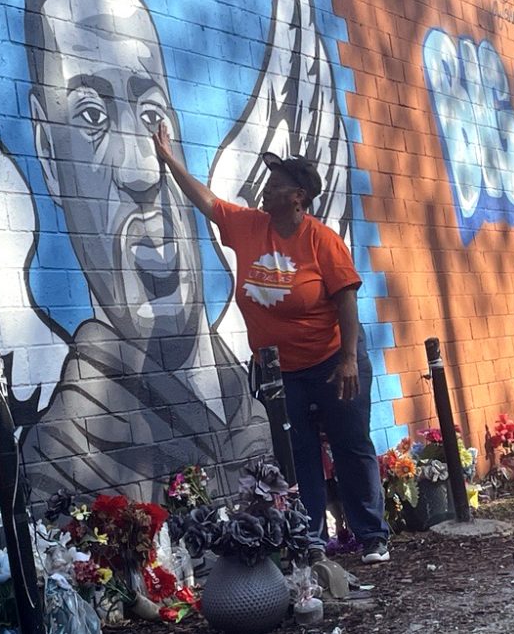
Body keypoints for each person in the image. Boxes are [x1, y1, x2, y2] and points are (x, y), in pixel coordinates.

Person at [18, 0, 270, 512]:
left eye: (152, 113)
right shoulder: (60, 472)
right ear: (47, 156)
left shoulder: (252, 405)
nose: (143, 170)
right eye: (92, 116)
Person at [152, 121, 391, 564]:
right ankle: (310, 538)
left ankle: (372, 535)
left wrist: (348, 360)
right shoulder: (249, 226)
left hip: (333, 359)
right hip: (279, 370)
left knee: (349, 443)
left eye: (276, 185)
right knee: (297, 453)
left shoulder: (321, 240)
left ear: (298, 197)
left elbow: (346, 300)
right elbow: (207, 202)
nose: (265, 190)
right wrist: (169, 159)